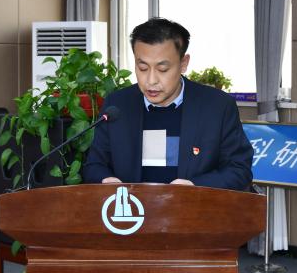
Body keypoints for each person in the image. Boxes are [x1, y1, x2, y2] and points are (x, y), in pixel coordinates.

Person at [82, 17, 253, 191]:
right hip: (133, 207)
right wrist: (106, 180)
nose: (151, 80)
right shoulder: (118, 105)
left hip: (194, 206)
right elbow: (94, 165)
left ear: (183, 63)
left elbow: (239, 169)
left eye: (162, 69)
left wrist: (195, 188)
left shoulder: (217, 106)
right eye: (142, 68)